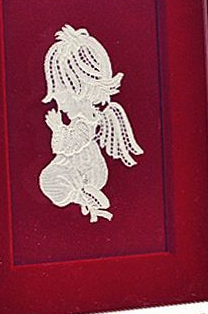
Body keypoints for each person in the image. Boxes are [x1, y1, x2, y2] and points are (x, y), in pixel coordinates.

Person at [39, 24, 143, 223]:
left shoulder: (84, 121)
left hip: (85, 171)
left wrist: (58, 128)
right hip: (84, 169)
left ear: (76, 88)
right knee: (49, 178)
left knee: (49, 179)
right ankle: (85, 197)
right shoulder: (88, 117)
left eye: (60, 92)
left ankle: (84, 194)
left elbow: (67, 146)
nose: (57, 100)